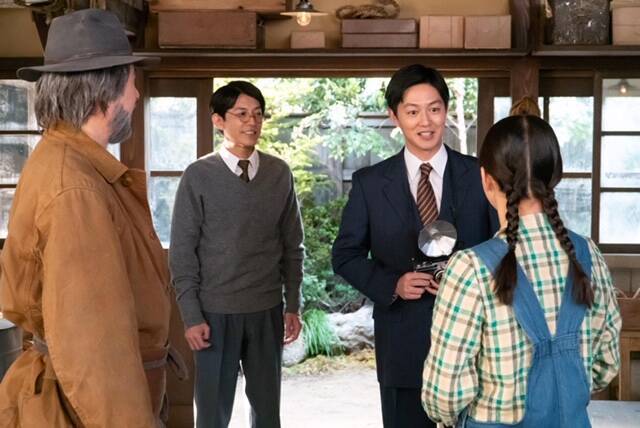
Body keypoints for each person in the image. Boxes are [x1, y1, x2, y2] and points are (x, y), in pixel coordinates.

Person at [0, 9, 172, 427]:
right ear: (103, 93)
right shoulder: (75, 188)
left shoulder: (70, 163)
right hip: (80, 409)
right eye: (130, 82)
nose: (135, 96)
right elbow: (94, 346)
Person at [422, 115, 621, 427]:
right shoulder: (588, 255)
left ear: (486, 179)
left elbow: (443, 395)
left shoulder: (470, 268)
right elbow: (606, 364)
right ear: (555, 176)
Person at [332, 64, 498, 428]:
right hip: (402, 341)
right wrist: (393, 283)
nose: (426, 121)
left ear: (446, 110)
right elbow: (345, 255)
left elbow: (503, 246)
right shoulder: (370, 183)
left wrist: (471, 281)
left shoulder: (481, 175)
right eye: (412, 111)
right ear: (394, 116)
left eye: (434, 109)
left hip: (475, 341)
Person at [169, 81, 304, 428]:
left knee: (267, 413)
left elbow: (293, 246)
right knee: (212, 414)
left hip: (266, 310)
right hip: (214, 314)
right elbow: (183, 252)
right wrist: (191, 316)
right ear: (218, 120)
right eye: (241, 114)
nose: (252, 122)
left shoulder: (279, 173)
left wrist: (293, 304)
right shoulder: (198, 175)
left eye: (258, 114)